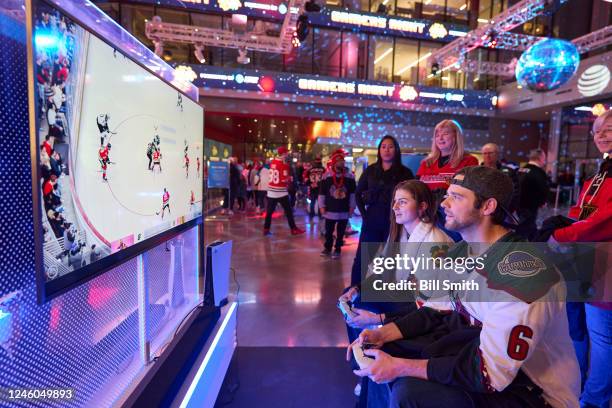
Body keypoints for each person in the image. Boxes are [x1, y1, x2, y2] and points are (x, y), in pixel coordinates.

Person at [351, 166, 580, 408]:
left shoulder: (525, 273)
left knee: (410, 391)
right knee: (376, 351)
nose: (443, 203)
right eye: (447, 195)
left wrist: (400, 366)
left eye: (456, 197)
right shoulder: (461, 252)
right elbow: (436, 310)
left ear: (487, 207)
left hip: (535, 392)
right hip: (483, 358)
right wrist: (380, 333)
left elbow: (489, 374)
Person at [547, 109, 612, 408]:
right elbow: (584, 213)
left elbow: (605, 220)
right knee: (586, 332)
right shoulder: (601, 171)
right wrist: (565, 224)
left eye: (608, 128)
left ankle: (591, 402)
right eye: (597, 130)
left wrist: (563, 236)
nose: (600, 134)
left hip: (604, 266)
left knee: (602, 340)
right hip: (590, 262)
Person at [351, 135, 414, 287]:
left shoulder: (404, 173)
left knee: (392, 258)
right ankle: (353, 291)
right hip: (372, 219)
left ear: (396, 149)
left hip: (395, 221)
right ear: (379, 150)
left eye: (390, 146)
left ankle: (387, 293)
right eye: (383, 146)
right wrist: (365, 216)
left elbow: (413, 197)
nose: (386, 150)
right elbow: (358, 193)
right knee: (363, 258)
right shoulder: (371, 170)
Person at [417, 120, 478, 241]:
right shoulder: (426, 163)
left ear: (456, 136)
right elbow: (418, 188)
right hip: (427, 214)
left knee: (451, 253)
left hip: (451, 216)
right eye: (437, 135)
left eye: (445, 134)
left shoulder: (468, 161)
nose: (440, 138)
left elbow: (469, 192)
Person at [318, 150, 356, 259]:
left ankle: (338, 249)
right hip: (329, 209)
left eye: (343, 161)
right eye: (339, 161)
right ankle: (328, 248)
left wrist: (352, 207)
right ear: (334, 162)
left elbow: (353, 194)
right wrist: (321, 206)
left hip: (344, 210)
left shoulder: (350, 177)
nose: (342, 163)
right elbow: (322, 193)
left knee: (340, 233)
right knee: (328, 232)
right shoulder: (326, 176)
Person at [263, 147, 305, 236]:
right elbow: (284, 180)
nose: (287, 155)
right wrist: (290, 178)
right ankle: (293, 229)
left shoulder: (273, 162)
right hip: (281, 191)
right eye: (286, 153)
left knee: (269, 212)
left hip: (271, 191)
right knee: (289, 211)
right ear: (284, 154)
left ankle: (266, 229)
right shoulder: (284, 164)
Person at [516, 148, 549, 240]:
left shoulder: (521, 169)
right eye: (544, 158)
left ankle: (534, 241)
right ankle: (517, 245)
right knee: (526, 225)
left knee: (527, 224)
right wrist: (543, 201)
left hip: (518, 203)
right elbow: (542, 188)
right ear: (540, 158)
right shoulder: (538, 172)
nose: (544, 161)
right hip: (530, 205)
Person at [481, 143, 519, 213]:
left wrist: (509, 210)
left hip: (502, 210)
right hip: (481, 210)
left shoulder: (509, 172)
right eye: (485, 153)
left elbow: (515, 193)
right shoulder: (476, 172)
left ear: (497, 154)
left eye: (490, 153)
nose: (487, 156)